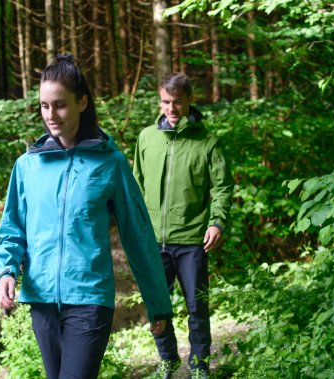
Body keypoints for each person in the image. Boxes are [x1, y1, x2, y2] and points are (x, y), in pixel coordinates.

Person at [0, 54, 173, 379]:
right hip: (41, 299)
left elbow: (138, 236)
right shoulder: (27, 167)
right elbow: (12, 230)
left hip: (89, 297)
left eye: (60, 105)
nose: (51, 115)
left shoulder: (111, 163)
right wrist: (5, 271)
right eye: (44, 106)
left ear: (82, 102)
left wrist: (157, 302)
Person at [133, 73, 233, 379]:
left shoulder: (207, 142)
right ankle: (167, 360)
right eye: (165, 101)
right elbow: (135, 185)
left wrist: (217, 222)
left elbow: (223, 187)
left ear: (189, 100)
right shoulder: (146, 138)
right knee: (156, 309)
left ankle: (200, 365)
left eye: (177, 102)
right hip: (153, 242)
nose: (171, 108)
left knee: (197, 309)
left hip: (192, 240)